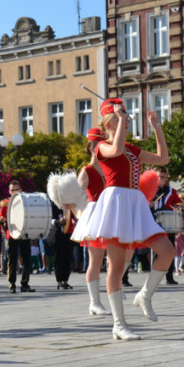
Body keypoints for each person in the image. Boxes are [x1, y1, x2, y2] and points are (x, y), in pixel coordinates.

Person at [80, 100, 173, 341]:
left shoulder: (131, 147)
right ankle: (118, 324)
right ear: (108, 123)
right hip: (116, 202)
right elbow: (116, 150)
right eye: (120, 118)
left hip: (135, 203)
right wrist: (120, 120)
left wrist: (157, 128)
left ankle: (145, 295)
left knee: (167, 251)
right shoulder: (101, 147)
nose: (127, 121)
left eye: (127, 119)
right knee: (116, 266)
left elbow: (163, 159)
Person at [71, 128, 109, 317]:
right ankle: (94, 302)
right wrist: (79, 214)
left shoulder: (109, 170)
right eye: (102, 146)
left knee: (123, 254)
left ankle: (114, 289)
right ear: (94, 148)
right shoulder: (86, 171)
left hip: (110, 214)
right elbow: (74, 197)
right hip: (95, 216)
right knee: (96, 260)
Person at [1, 180, 35, 293]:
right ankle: (12, 284)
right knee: (12, 259)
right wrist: (1, 221)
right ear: (9, 191)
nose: (14, 191)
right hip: (11, 234)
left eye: (17, 189)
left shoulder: (26, 202)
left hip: (24, 233)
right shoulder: (5, 203)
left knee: (27, 259)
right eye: (12, 190)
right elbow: (0, 219)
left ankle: (25, 283)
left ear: (20, 190)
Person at [151, 167, 181, 285]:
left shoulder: (171, 191)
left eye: (163, 177)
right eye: (159, 177)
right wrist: (150, 205)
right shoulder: (151, 190)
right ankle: (154, 278)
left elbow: (177, 203)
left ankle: (169, 277)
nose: (161, 179)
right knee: (156, 251)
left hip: (169, 225)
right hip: (155, 223)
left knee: (170, 250)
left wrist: (177, 207)